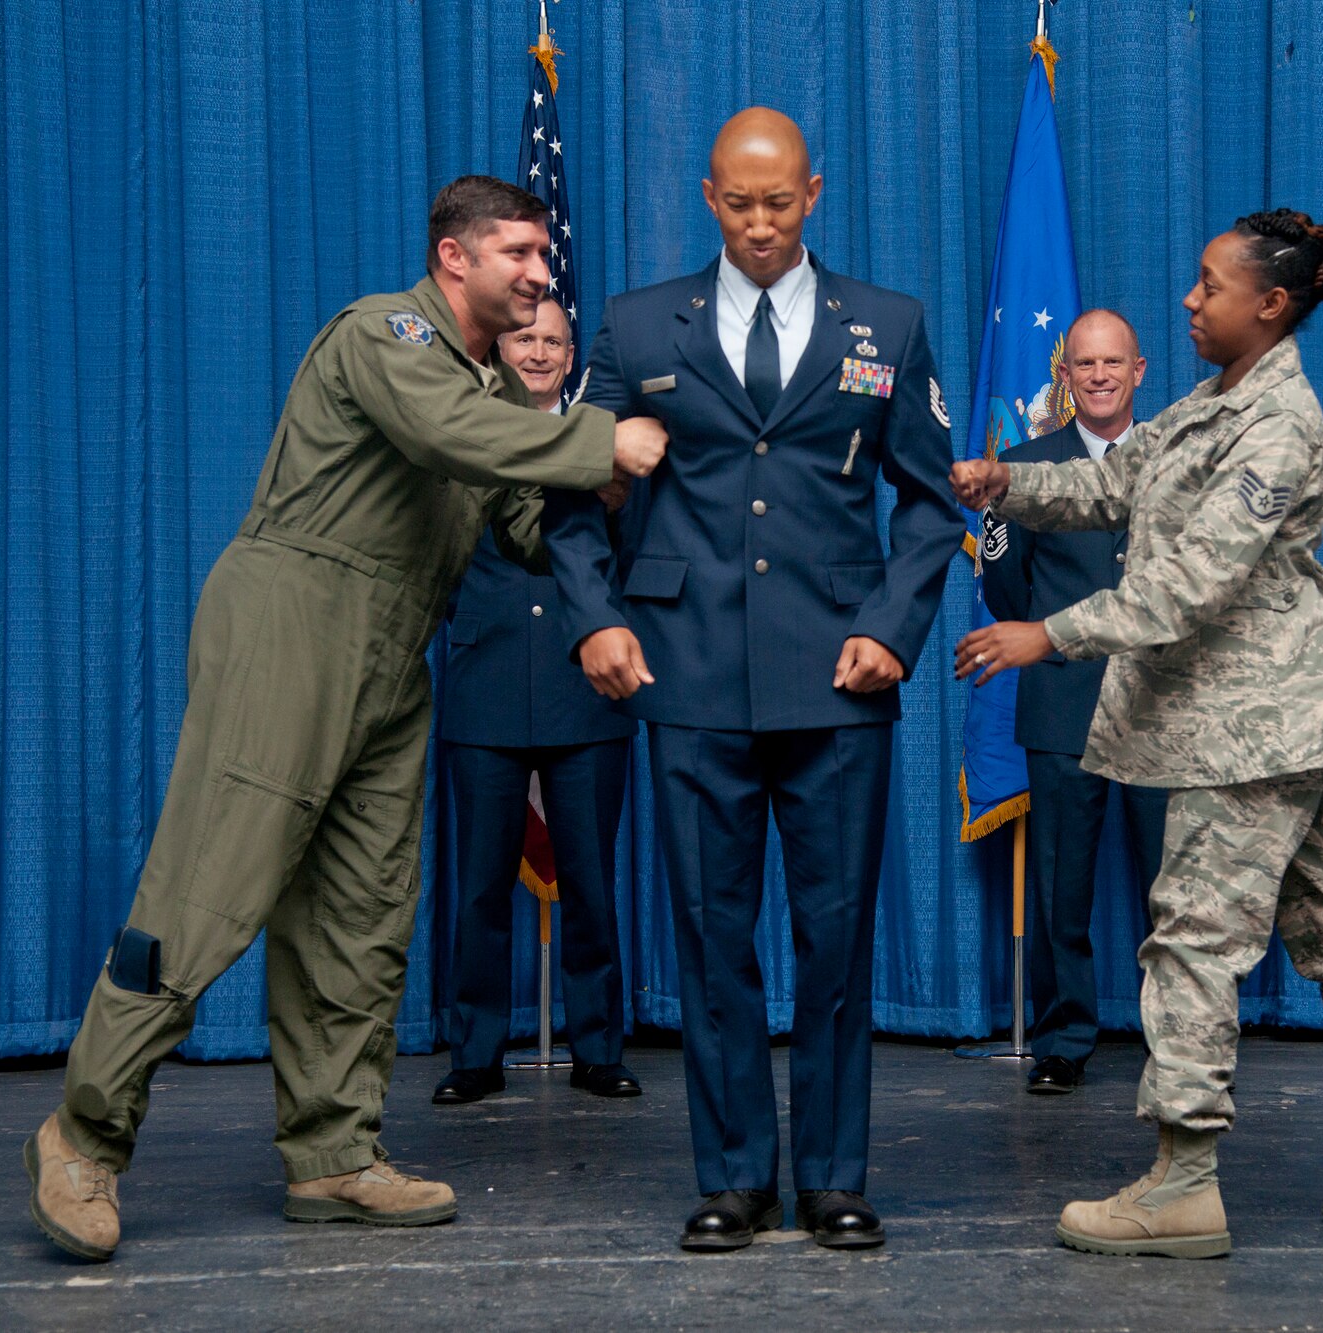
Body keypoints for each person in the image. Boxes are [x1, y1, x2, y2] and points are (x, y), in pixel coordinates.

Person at [24, 176, 669, 1264]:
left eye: (541, 253)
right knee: (210, 884)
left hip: (393, 646)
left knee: (362, 909)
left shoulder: (501, 399)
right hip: (295, 617)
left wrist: (621, 485)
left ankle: (331, 1154)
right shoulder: (390, 333)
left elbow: (520, 520)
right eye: (514, 250)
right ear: (453, 257)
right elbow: (440, 428)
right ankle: (82, 1135)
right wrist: (601, 443)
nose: (537, 271)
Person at [952, 209, 1323, 1259]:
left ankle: (1181, 1178)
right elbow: (1112, 480)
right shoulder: (1213, 402)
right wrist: (1009, 480)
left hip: (1257, 728)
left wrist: (1042, 635)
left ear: (1270, 306)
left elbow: (1183, 588)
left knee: (1192, 935)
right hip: (1287, 721)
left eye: (1207, 286)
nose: (1189, 300)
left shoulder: (1278, 426)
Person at [545, 108, 960, 1253]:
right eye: (739, 202)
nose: (760, 224)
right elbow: (571, 498)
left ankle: (831, 1175)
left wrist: (894, 626)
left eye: (780, 203)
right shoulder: (632, 326)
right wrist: (593, 621)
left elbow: (928, 503)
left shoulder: (885, 323)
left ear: (813, 195)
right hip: (682, 678)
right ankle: (732, 1176)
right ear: (706, 195)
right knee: (709, 934)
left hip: (838, 678)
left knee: (833, 941)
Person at [432, 297, 642, 1106]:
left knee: (592, 882)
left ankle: (598, 1046)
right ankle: (473, 1052)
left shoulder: (608, 444)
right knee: (479, 886)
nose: (540, 351)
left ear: (571, 354)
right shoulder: (460, 427)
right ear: (500, 345)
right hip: (484, 687)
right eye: (525, 337)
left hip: (586, 691)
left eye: (555, 340)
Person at [978, 309, 1169, 1097]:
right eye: (1083, 363)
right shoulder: (1021, 467)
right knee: (1061, 886)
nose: (1097, 376)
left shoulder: (1177, 460)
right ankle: (1064, 1036)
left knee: (1176, 888)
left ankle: (1181, 1039)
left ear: (1139, 370)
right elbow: (1006, 587)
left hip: (1164, 705)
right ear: (1065, 373)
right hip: (1064, 704)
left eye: (1112, 363)